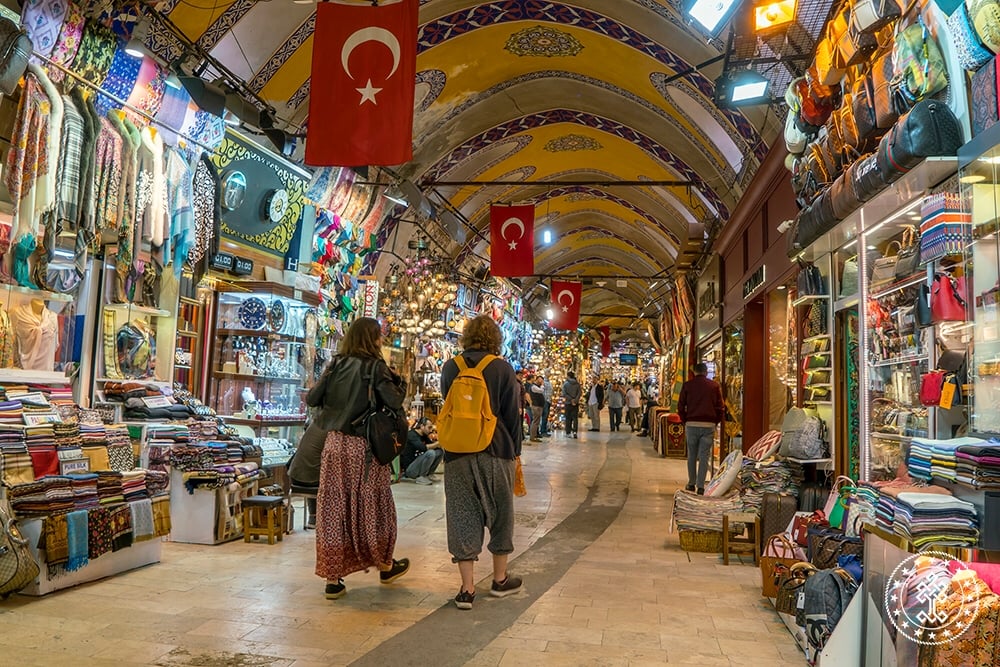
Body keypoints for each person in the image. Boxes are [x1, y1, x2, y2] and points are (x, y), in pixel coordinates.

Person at [305, 317, 410, 600]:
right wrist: (399, 380)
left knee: (334, 508)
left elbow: (312, 398)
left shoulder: (336, 364)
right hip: (364, 450)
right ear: (372, 339)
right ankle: (385, 564)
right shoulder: (375, 368)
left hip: (335, 446)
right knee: (374, 506)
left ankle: (333, 579)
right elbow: (395, 401)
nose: (382, 341)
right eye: (379, 336)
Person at [441, 315, 523, 610]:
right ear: (496, 339)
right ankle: (500, 579)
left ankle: (466, 589)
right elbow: (513, 415)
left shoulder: (451, 367)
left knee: (462, 513)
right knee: (501, 513)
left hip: (457, 453)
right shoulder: (502, 368)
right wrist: (516, 451)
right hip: (495, 449)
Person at [678, 362, 725, 495]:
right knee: (704, 456)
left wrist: (685, 420)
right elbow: (720, 407)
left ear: (695, 372)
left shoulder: (687, 385)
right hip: (708, 425)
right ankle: (701, 486)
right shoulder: (714, 386)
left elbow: (681, 406)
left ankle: (691, 483)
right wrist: (715, 422)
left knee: (692, 455)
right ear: (706, 372)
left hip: (692, 424)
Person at [401, 417, 442, 484]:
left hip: (418, 464)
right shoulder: (412, 435)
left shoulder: (424, 436)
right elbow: (423, 448)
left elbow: (433, 446)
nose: (431, 430)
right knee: (430, 453)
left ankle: (430, 474)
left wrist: (440, 444)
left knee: (440, 452)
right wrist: (438, 443)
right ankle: (422, 477)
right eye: (429, 427)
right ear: (422, 426)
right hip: (410, 469)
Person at [561, 371, 582, 438]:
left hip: (568, 403)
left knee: (568, 418)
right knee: (575, 418)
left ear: (568, 376)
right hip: (575, 404)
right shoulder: (577, 384)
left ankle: (568, 432)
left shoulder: (565, 384)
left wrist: (570, 399)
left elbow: (564, 393)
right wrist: (575, 400)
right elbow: (579, 393)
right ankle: (575, 432)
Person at [528, 374, 546, 443]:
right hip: (536, 406)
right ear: (537, 379)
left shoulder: (537, 386)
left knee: (537, 421)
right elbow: (541, 391)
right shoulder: (533, 387)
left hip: (539, 406)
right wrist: (542, 385)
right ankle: (532, 436)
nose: (542, 381)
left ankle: (534, 435)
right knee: (535, 421)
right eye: (541, 379)